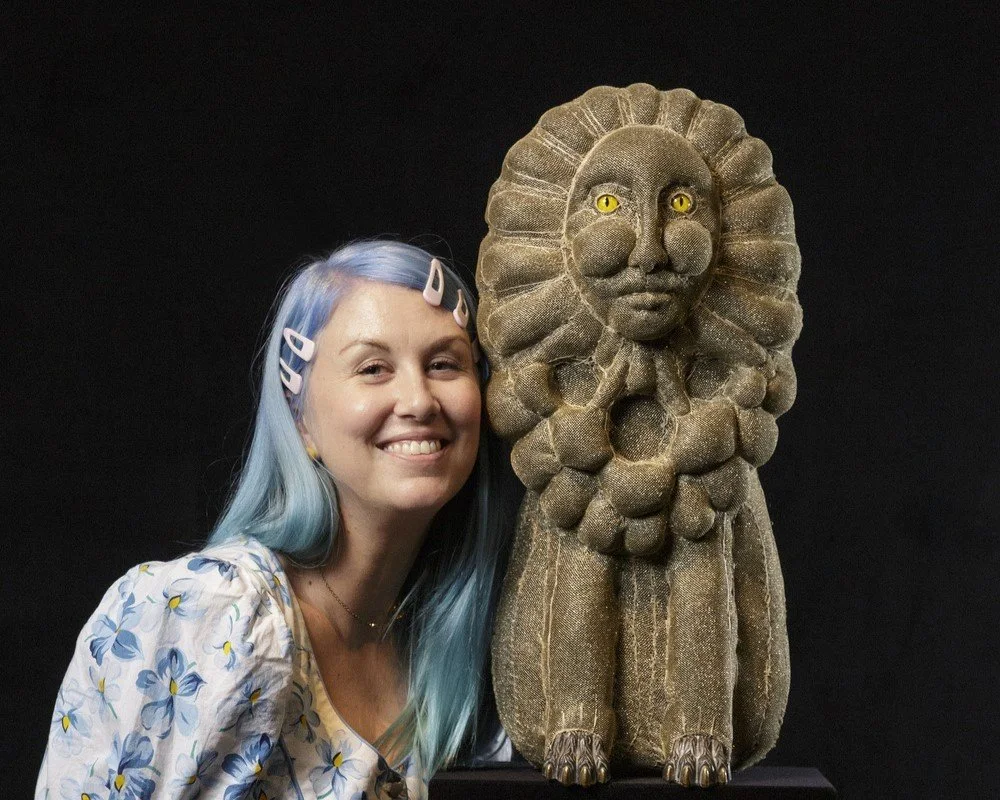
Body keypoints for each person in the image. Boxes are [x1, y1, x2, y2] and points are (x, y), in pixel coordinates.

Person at [36, 240, 519, 799]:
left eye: (443, 364)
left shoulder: (463, 650)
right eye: (373, 368)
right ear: (300, 419)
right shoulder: (211, 613)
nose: (419, 400)